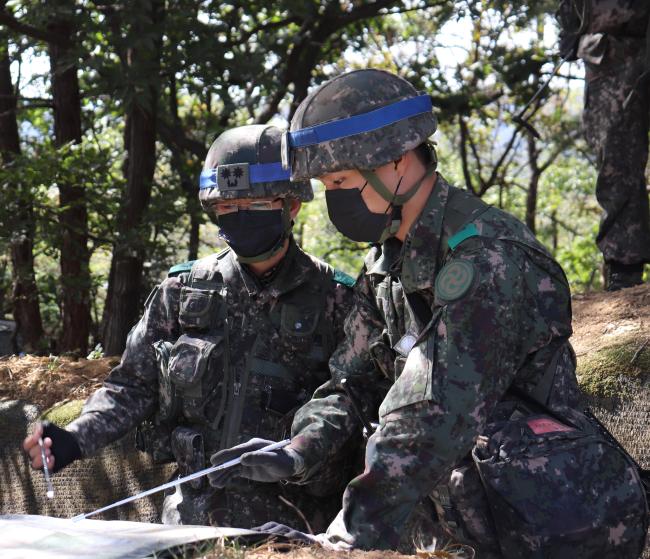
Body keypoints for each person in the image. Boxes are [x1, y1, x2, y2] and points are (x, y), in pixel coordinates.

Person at [208, 69, 647, 557]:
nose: (333, 198)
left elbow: (433, 411)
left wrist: (348, 535)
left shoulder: (487, 259)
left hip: (550, 520)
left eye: (339, 180)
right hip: (462, 514)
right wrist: (298, 450)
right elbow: (352, 384)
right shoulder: (384, 267)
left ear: (396, 161)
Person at [23, 124, 357, 531]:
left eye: (252, 204)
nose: (238, 217)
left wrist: (298, 451)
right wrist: (76, 437)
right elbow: (133, 385)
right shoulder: (182, 292)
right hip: (190, 519)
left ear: (290, 206)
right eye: (226, 208)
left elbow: (351, 399)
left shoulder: (336, 299)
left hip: (295, 523)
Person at [557, 0, 650, 290]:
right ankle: (624, 266)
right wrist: (572, 35)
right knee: (618, 165)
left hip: (630, 44)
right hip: (609, 61)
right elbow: (571, 16)